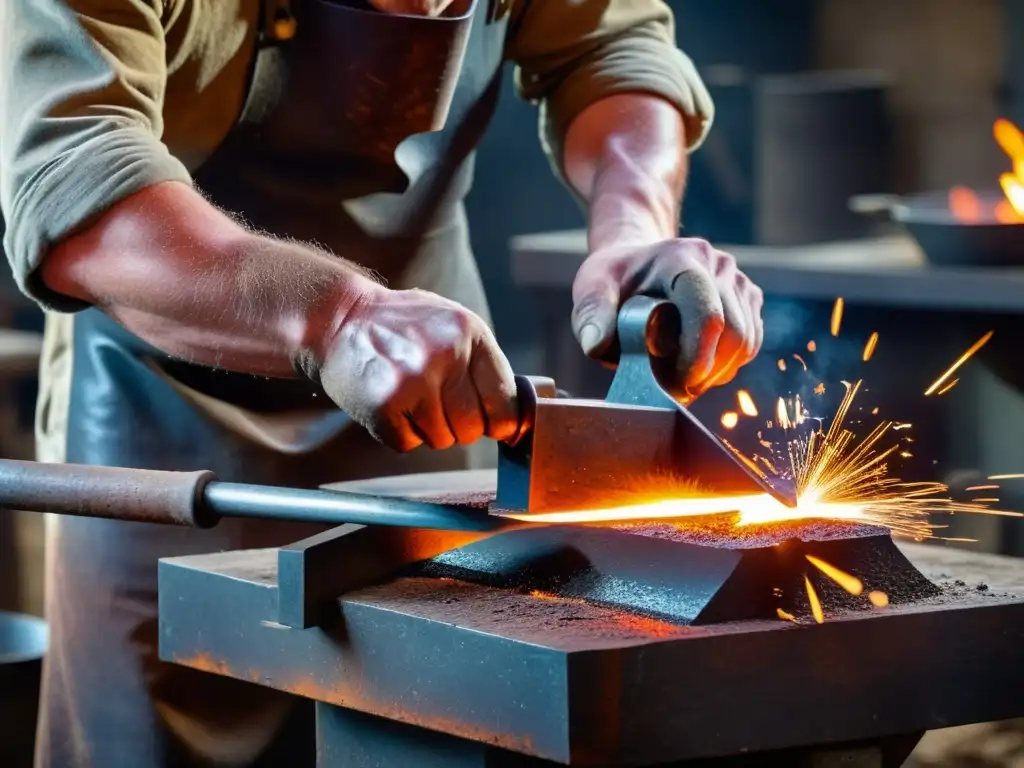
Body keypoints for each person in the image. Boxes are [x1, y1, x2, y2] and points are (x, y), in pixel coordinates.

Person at [0, 0, 765, 765]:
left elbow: (611, 45)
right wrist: (338, 317)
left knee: (434, 722)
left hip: (440, 399)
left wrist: (633, 228)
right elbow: (77, 184)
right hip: (162, 404)